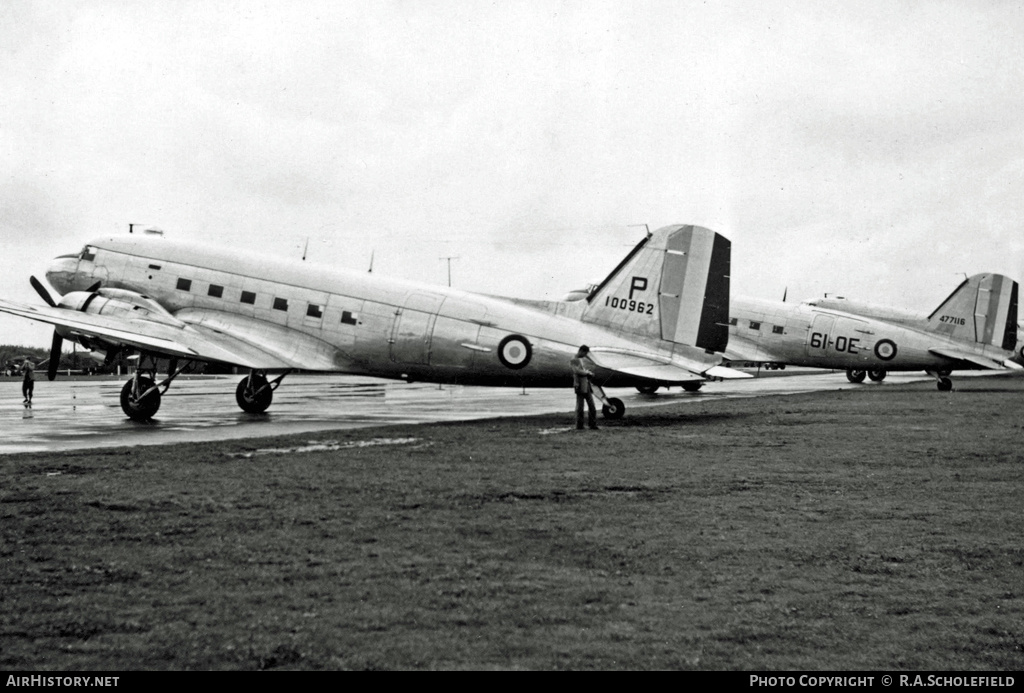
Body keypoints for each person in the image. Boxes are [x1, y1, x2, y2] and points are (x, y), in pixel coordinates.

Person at [570, 345, 598, 430]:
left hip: (585, 385)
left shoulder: (578, 359)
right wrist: (588, 373)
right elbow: (576, 371)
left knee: (590, 406)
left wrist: (587, 372)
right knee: (580, 407)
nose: (585, 355)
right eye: (585, 353)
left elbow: (580, 371)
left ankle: (590, 425)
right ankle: (580, 425)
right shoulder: (574, 359)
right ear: (581, 351)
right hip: (580, 385)